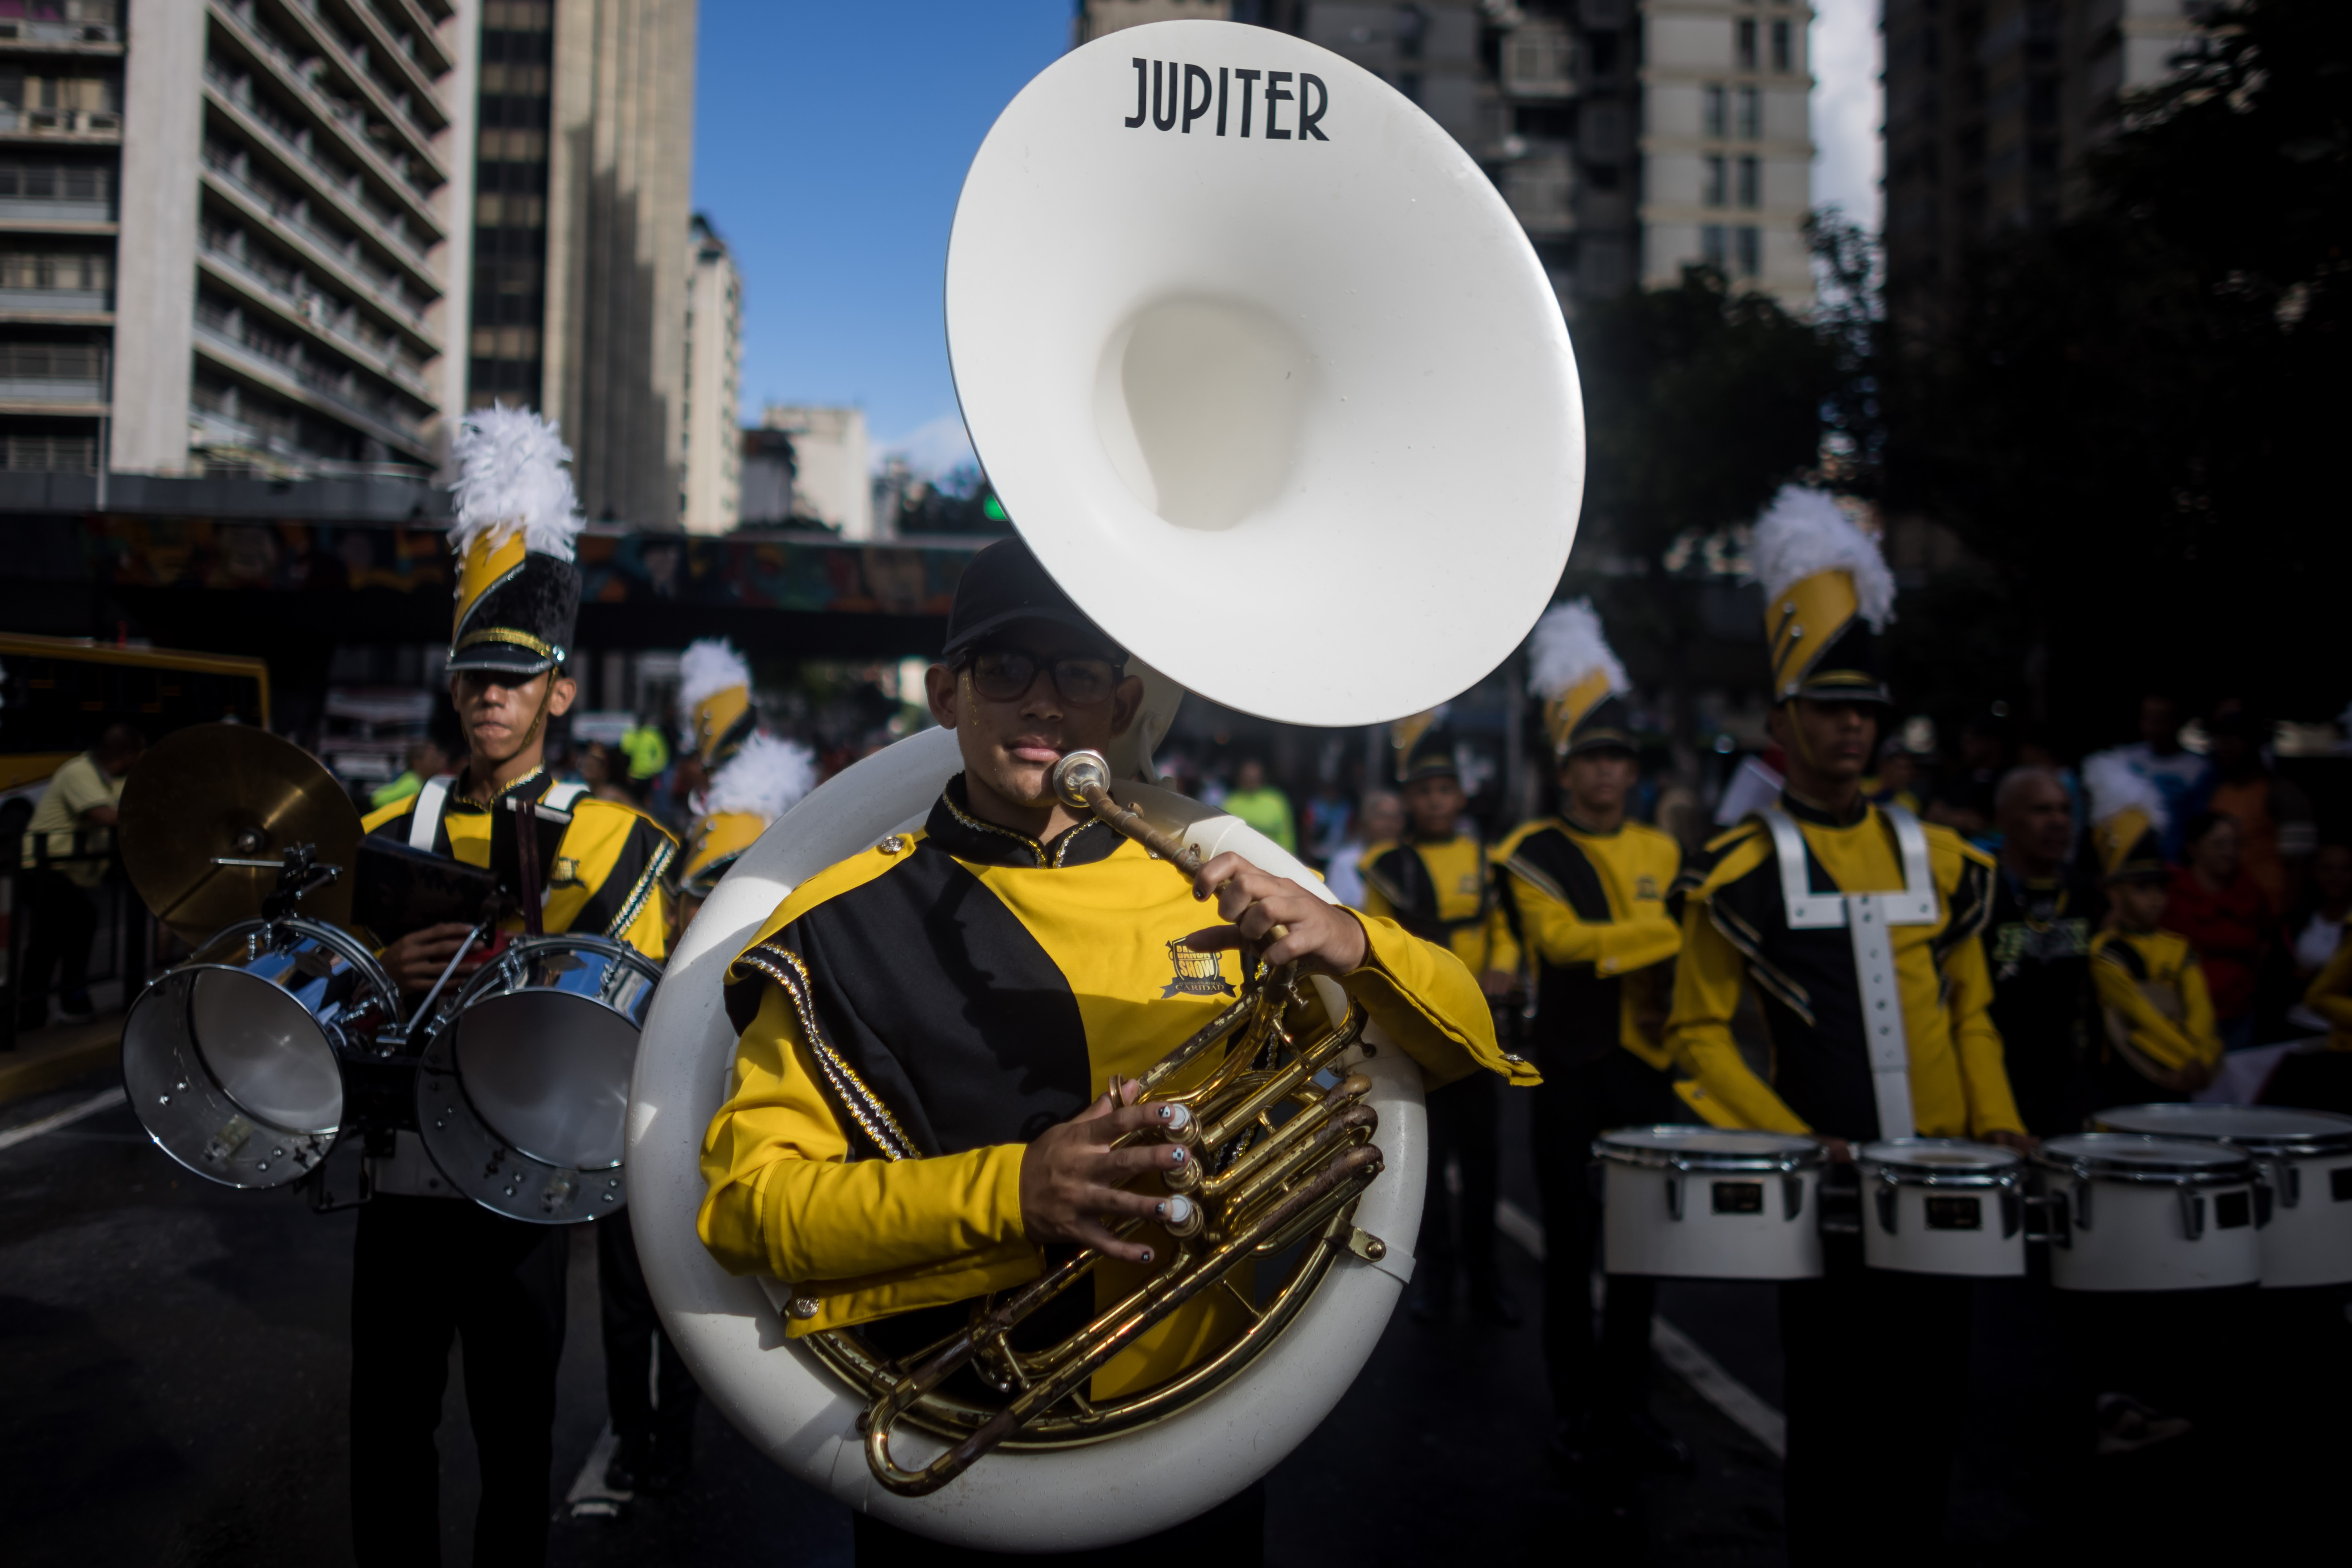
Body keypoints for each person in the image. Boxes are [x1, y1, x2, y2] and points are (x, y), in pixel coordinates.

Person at [696, 538, 1530, 1566]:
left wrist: (1353, 943)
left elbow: (1462, 1052)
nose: (1045, 703)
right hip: (956, 1452)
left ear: (1123, 702)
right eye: (1006, 668)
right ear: (947, 694)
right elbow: (747, 1209)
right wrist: (1015, 1192)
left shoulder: (1215, 889)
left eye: (1079, 674)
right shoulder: (836, 923)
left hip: (1196, 1438)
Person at [1664, 487, 2025, 1558]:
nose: (1852, 725)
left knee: (1927, 1429)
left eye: (1865, 708)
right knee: (1832, 1432)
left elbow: (1973, 1013)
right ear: (1781, 722)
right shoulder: (1736, 871)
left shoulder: (1946, 860)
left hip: (1945, 1186)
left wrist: (1999, 1124)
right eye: (1827, 707)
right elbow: (1695, 1040)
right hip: (1826, 1199)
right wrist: (1792, 1145)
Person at [350, 407, 677, 1568]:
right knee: (386, 1427)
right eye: (475, 677)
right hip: (402, 1175)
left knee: (514, 1434)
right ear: (454, 690)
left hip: (520, 1178)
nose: (491, 695)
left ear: (559, 692)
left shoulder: (624, 841)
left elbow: (636, 1016)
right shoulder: (388, 824)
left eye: (514, 676)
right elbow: (332, 997)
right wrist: (379, 970)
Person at [1494, 601, 1687, 1474]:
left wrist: (1640, 943)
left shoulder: (1664, 850)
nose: (1606, 771)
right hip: (1568, 1069)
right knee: (1571, 1248)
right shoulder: (1530, 851)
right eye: (1591, 758)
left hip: (1647, 1066)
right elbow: (1565, 945)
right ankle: (1575, 1407)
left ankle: (1630, 1403)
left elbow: (1681, 946)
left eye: (1618, 759)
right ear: (1565, 770)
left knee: (1641, 1248)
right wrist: (1661, 935)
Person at [1361, 719, 1524, 1324]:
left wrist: (1504, 967)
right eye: (1424, 791)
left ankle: (1486, 1279)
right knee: (1427, 1167)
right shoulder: (1385, 866)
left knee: (1483, 1164)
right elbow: (1374, 941)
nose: (1435, 801)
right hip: (1421, 1036)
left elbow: (1505, 930)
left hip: (1479, 1036)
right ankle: (1436, 1279)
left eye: (1444, 790)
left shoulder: (1484, 859)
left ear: (1460, 796)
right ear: (1410, 799)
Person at [2080, 753, 2221, 1103]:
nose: (2156, 899)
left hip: (2185, 1073)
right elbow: (2140, 1014)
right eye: (2142, 889)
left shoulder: (2179, 947)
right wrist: (2188, 1057)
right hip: (2129, 1075)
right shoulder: (2106, 951)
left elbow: (2201, 1010)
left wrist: (2203, 1056)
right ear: (2114, 893)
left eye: (2160, 888)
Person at [1985, 766, 2097, 1136]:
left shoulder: (2085, 892)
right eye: (2041, 810)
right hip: (1999, 1077)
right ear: (2004, 818)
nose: (2058, 822)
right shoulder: (1981, 893)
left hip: (2067, 1085)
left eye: (2065, 810)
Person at [18, 722, 143, 1028]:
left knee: (63, 933)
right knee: (63, 931)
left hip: (67, 873)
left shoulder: (111, 779)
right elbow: (105, 815)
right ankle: (46, 1008)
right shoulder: (79, 772)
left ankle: (49, 1007)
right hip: (44, 868)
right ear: (127, 756)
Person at [2162, 812, 2272, 1052]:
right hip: (2185, 1016)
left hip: (2238, 1013)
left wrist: (2248, 983)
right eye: (2219, 844)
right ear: (2193, 848)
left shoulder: (2249, 890)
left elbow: (2265, 939)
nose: (2229, 852)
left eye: (2234, 844)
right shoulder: (2172, 893)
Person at [2203, 698, 2316, 915]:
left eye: (2234, 737)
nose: (2225, 745)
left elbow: (2300, 867)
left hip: (2268, 917)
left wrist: (2281, 922)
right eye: (2220, 737)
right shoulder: (2217, 792)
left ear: (2254, 740)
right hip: (2226, 917)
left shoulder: (2284, 796)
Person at [2103, 693, 2212, 862]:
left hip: (2175, 863)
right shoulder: (2125, 759)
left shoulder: (2199, 769)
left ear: (2179, 722)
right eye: (2147, 718)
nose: (2152, 727)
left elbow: (2199, 826)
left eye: (2161, 720)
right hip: (2127, 861)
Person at [2285, 841, 2352, 1034]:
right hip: (2296, 1025)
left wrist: (2314, 976)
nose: (2336, 877)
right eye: (2327, 869)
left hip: (2342, 1030)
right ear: (2314, 872)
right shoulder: (2297, 921)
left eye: (2344, 869)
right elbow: (2278, 978)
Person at [1323, 789, 1401, 909]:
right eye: (1382, 817)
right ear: (1364, 821)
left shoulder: (1409, 861)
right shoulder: (1344, 862)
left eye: (1396, 818)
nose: (1389, 824)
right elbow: (1334, 908)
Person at [1221, 756, 1298, 854]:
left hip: (1273, 856)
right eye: (1248, 777)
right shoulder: (1231, 802)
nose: (1251, 781)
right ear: (1240, 778)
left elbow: (1287, 834)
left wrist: (1289, 856)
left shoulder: (1276, 800)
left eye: (1254, 777)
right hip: (1240, 855)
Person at [368, 737, 451, 811]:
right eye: (433, 759)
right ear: (416, 762)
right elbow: (379, 800)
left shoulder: (419, 782)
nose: (438, 763)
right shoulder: (413, 784)